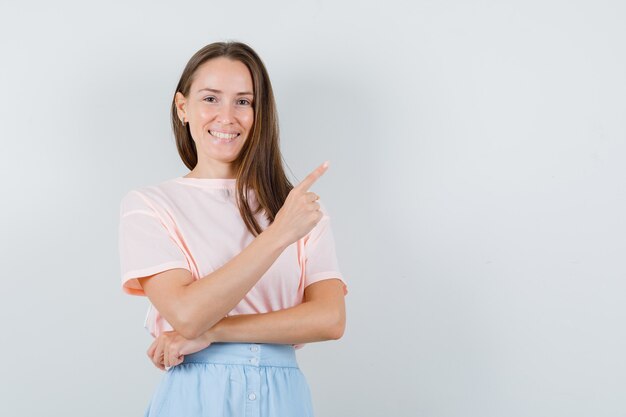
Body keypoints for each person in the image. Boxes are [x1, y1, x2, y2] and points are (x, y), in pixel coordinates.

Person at [118, 40, 348, 417]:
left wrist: (214, 332)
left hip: (284, 397)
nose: (227, 116)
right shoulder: (149, 205)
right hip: (196, 396)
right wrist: (278, 235)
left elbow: (330, 319)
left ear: (259, 114)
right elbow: (187, 315)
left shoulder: (300, 211)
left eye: (243, 101)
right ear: (182, 108)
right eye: (210, 98)